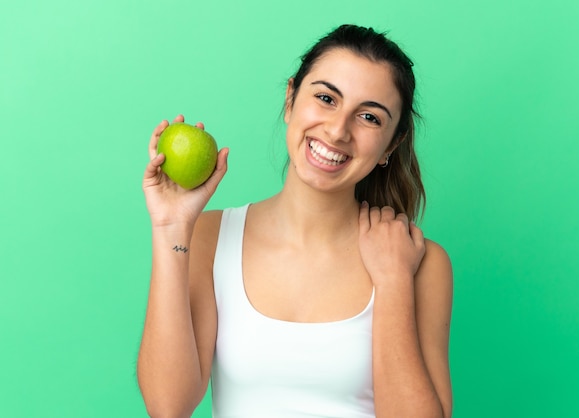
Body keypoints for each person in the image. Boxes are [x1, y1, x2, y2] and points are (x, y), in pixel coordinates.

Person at [137, 24, 453, 418]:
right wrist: (171, 228)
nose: (338, 131)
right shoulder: (210, 237)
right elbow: (168, 406)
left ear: (392, 143)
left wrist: (392, 282)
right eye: (325, 98)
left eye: (369, 117)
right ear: (290, 99)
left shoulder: (420, 262)